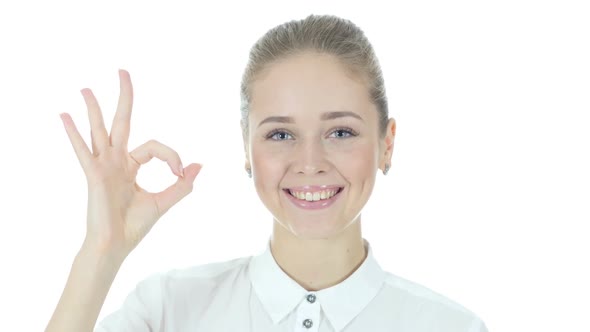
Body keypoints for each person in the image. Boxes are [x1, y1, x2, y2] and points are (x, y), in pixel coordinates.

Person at [46, 14, 488, 332]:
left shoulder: (451, 326)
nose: (310, 161)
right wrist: (101, 251)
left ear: (386, 144)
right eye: (280, 135)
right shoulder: (168, 310)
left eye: (340, 131)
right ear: (246, 147)